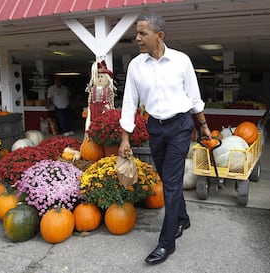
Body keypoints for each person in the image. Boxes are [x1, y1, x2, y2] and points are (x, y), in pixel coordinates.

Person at [118, 13, 211, 265]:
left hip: (181, 126)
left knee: (170, 182)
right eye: (136, 34)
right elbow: (129, 103)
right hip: (155, 127)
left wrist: (202, 126)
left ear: (160, 36)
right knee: (167, 177)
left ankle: (166, 243)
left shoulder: (181, 61)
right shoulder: (136, 66)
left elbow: (193, 97)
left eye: (143, 33)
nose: (137, 39)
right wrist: (125, 138)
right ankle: (182, 218)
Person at [84, 61, 116, 133]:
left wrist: (111, 108)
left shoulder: (108, 90)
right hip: (94, 110)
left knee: (105, 125)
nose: (100, 79)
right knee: (93, 124)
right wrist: (89, 107)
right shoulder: (92, 89)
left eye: (102, 76)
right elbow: (89, 100)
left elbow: (111, 100)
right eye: (98, 76)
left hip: (105, 109)